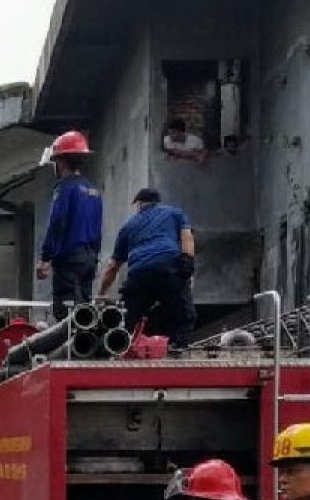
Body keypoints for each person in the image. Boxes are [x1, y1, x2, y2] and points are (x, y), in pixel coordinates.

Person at [97, 188, 197, 346]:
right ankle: (178, 350)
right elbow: (187, 237)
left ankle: (121, 347)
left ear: (139, 204)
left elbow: (112, 266)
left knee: (128, 319)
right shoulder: (175, 213)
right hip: (168, 268)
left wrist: (101, 293)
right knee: (183, 316)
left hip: (139, 274)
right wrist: (187, 265)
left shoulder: (128, 226)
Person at [35, 130, 103, 321]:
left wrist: (45, 258)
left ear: (61, 161)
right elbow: (97, 230)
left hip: (70, 260)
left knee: (66, 313)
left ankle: (71, 350)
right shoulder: (93, 191)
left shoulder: (65, 188)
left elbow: (57, 222)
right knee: (84, 311)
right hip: (89, 259)